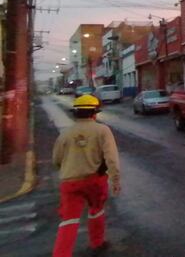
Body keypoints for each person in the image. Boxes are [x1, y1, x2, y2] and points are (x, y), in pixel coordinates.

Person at [52, 94, 121, 257]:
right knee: (96, 210)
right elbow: (111, 158)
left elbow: (56, 160)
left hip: (70, 182)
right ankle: (97, 243)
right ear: (94, 113)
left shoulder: (65, 134)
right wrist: (115, 180)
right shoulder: (102, 130)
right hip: (94, 181)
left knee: (69, 220)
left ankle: (61, 254)